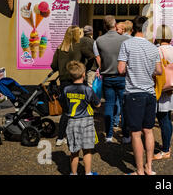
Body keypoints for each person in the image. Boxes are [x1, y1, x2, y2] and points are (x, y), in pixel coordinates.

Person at [118, 16, 162, 175]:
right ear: (145, 29)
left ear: (133, 28)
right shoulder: (153, 47)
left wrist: (132, 66)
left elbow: (121, 69)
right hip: (150, 93)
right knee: (149, 131)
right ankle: (149, 168)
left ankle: (139, 171)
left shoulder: (126, 44)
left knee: (135, 133)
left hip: (134, 93)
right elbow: (159, 71)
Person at [61, 61, 101, 175]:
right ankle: (88, 173)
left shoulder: (66, 89)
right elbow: (97, 104)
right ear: (84, 74)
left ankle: (73, 173)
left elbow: (63, 104)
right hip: (86, 122)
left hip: (72, 122)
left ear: (70, 75)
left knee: (74, 151)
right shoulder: (87, 89)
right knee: (87, 150)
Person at [94, 15, 129, 143]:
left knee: (108, 105)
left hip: (108, 77)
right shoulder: (125, 39)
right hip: (122, 76)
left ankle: (108, 135)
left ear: (104, 26)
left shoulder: (99, 40)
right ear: (115, 25)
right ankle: (125, 135)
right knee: (124, 107)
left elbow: (100, 59)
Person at [51, 25, 83, 146]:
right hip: (76, 81)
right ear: (76, 35)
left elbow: (53, 66)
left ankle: (60, 137)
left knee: (66, 111)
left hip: (64, 82)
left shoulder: (60, 48)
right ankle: (76, 136)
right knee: (78, 109)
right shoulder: (78, 47)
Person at [153, 25, 173, 160]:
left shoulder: (158, 50)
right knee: (167, 117)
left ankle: (166, 149)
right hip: (171, 85)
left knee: (163, 118)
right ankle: (167, 144)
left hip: (162, 86)